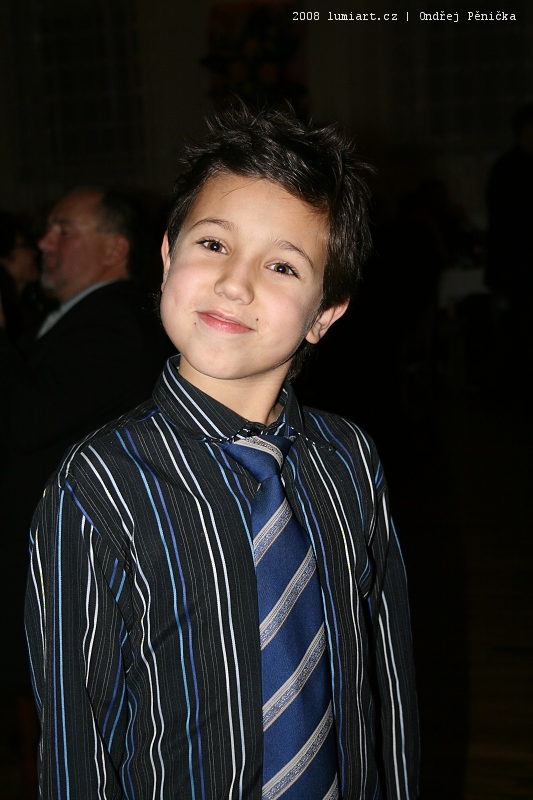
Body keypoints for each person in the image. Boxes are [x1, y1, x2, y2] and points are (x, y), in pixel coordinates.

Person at [25, 107, 420, 799]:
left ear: (326, 312)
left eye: (281, 265)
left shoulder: (351, 461)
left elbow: (387, 676)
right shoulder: (95, 487)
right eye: (213, 243)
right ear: (166, 257)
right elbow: (73, 733)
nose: (235, 283)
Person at [0, 187, 172, 797]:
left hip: (64, 572)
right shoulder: (84, 315)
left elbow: (25, 418)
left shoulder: (115, 321)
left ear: (114, 249)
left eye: (62, 229)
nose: (45, 243)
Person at [485, 103, 533, 405]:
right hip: (517, 267)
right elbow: (506, 223)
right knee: (517, 328)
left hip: (519, 265)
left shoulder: (513, 166)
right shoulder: (509, 168)